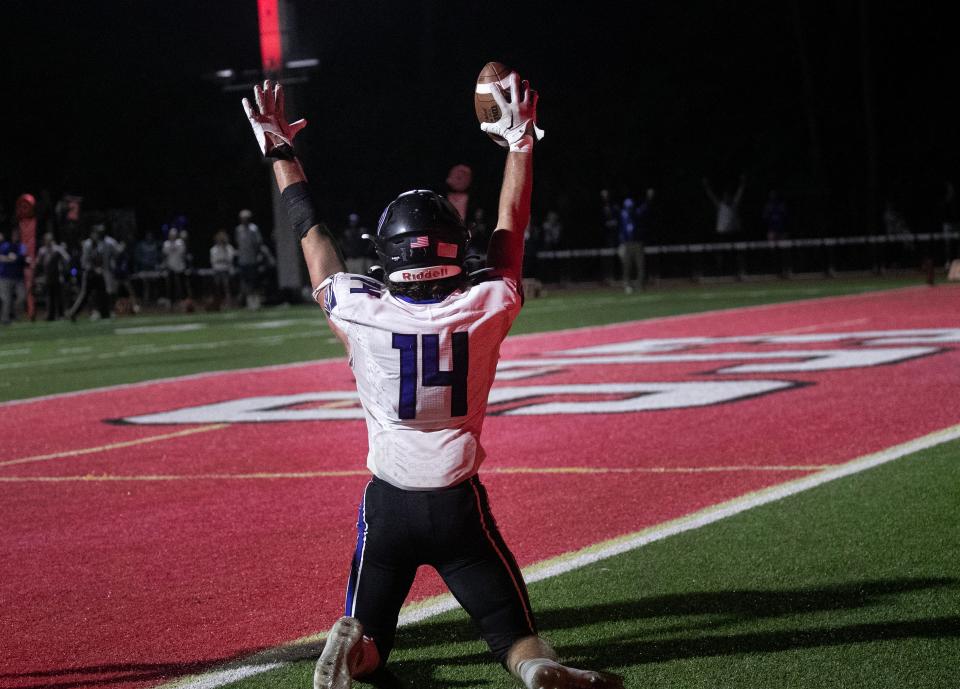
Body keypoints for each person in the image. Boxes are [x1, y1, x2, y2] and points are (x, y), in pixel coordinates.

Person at [242, 77, 622, 689]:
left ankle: (355, 648)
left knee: (372, 645)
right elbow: (510, 228)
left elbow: (313, 237)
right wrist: (520, 142)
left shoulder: (362, 311)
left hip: (388, 502)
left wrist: (281, 151)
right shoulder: (485, 304)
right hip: (456, 502)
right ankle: (537, 668)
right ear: (456, 248)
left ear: (387, 255)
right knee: (512, 632)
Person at [35, 232, 70, 320]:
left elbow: (67, 258)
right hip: (48, 276)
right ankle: (51, 315)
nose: (48, 242)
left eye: (49, 240)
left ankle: (61, 314)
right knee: (49, 297)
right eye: (47, 240)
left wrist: (64, 268)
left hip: (58, 276)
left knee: (59, 296)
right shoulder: (42, 250)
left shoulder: (57, 249)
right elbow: (38, 263)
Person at [0, 227, 28, 324]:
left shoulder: (22, 246)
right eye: (14, 234)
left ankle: (14, 314)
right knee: (6, 300)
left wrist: (16, 258)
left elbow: (23, 258)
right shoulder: (5, 245)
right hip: (5, 277)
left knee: (22, 297)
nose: (16, 236)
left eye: (18, 234)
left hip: (18, 277)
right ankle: (5, 319)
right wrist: (9, 258)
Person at [209, 230, 236, 308]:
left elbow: (230, 259)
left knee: (227, 288)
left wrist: (222, 258)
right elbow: (213, 261)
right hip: (217, 270)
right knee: (217, 288)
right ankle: (218, 304)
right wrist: (222, 260)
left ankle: (229, 303)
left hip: (226, 270)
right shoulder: (213, 249)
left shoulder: (229, 248)